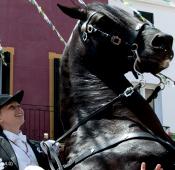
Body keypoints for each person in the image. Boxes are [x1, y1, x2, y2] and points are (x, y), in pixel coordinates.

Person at [0, 90, 53, 170]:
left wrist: (50, 152)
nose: (19, 109)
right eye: (12, 107)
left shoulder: (37, 146)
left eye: (19, 106)